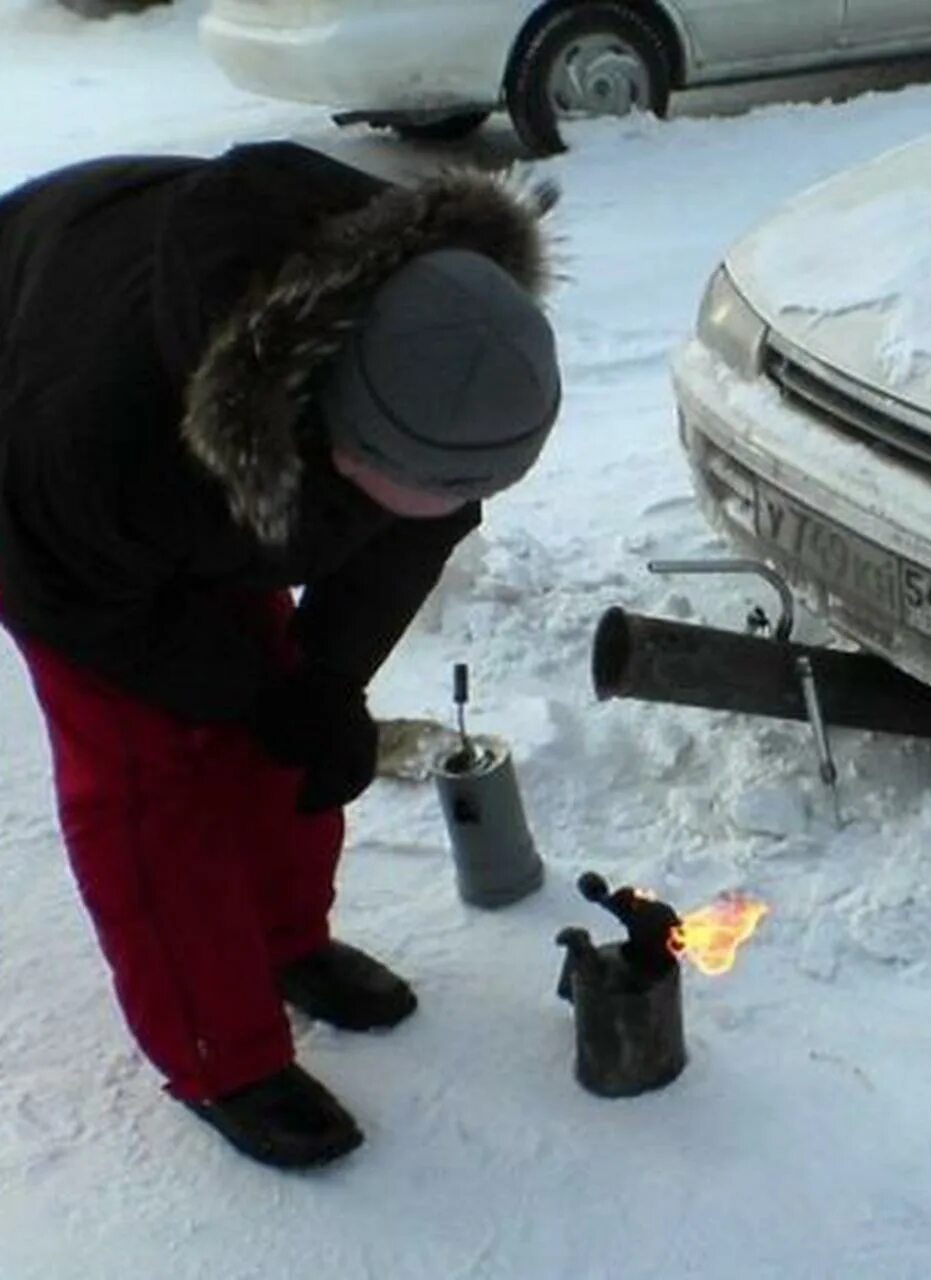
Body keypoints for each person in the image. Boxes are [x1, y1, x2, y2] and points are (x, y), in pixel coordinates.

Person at [0, 141, 561, 1169]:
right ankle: (219, 1051)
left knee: (289, 715)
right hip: (48, 492)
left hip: (209, 413)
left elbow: (408, 529)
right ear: (331, 433)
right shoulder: (93, 442)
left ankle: (283, 939)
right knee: (149, 772)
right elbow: (90, 605)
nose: (446, 513)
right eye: (416, 487)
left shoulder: (444, 336)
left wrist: (325, 680)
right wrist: (259, 694)